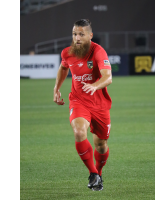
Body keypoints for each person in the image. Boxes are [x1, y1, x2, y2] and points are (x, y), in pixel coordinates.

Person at [53, 19, 112, 191]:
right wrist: (56, 88)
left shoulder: (98, 52)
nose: (77, 38)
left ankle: (99, 173)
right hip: (78, 101)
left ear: (90, 35)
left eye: (81, 34)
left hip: (99, 104)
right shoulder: (67, 53)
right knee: (79, 131)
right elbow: (63, 68)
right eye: (74, 34)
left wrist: (94, 85)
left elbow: (108, 77)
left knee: (101, 145)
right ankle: (93, 173)